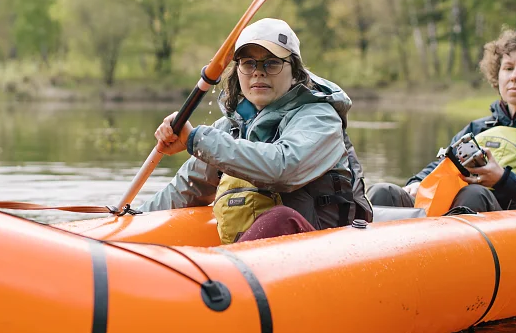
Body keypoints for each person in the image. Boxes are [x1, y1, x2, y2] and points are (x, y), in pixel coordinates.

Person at [141, 17, 371, 242]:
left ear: (295, 74)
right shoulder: (229, 128)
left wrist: (195, 139)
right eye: (248, 63)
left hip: (320, 253)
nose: (258, 72)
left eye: (272, 63)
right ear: (238, 70)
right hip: (254, 262)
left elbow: (283, 168)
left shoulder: (320, 118)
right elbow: (184, 189)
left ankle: (223, 273)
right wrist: (132, 216)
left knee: (281, 218)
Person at [368, 27, 516, 213]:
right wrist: (416, 181)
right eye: (508, 68)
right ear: (498, 76)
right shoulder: (478, 128)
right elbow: (444, 164)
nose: (515, 76)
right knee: (383, 192)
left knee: (474, 194)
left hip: (501, 224)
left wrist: (503, 180)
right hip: (451, 211)